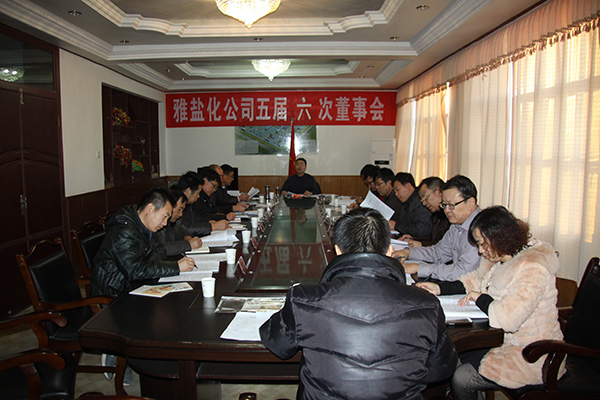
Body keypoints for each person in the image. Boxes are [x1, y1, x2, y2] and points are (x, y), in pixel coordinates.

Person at [260, 208, 457, 400]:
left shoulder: (304, 298)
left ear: (338, 251)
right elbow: (441, 369)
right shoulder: (427, 304)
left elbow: (278, 345)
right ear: (390, 250)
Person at [416, 206, 564, 399]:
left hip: (531, 353)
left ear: (499, 237)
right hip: (503, 341)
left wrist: (480, 298)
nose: (480, 251)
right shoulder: (504, 255)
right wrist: (440, 288)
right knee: (452, 356)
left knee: (462, 378)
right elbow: (477, 280)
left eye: (482, 244)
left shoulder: (532, 267)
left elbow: (507, 319)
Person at [91, 188, 195, 298]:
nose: (165, 223)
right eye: (164, 216)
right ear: (149, 209)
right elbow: (135, 270)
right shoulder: (122, 232)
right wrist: (176, 267)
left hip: (137, 285)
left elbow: (160, 250)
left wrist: (147, 265)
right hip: (114, 295)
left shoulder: (146, 226)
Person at [393, 175, 481, 281]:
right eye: (444, 205)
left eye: (451, 205)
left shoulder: (481, 228)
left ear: (470, 203)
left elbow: (462, 271)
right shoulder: (456, 225)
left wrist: (418, 268)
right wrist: (408, 252)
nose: (447, 211)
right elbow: (438, 252)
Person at [402, 176, 450, 247]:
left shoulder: (450, 215)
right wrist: (413, 239)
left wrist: (421, 244)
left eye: (425, 197)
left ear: (439, 192)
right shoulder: (436, 215)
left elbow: (443, 247)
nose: (424, 203)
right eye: (422, 200)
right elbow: (431, 239)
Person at [176, 171, 228, 236]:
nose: (198, 196)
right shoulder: (176, 203)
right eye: (197, 193)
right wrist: (212, 227)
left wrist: (209, 222)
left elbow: (195, 219)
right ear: (188, 191)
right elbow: (184, 228)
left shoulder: (188, 203)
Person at [156, 189, 203, 256]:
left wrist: (187, 237)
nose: (180, 214)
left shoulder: (170, 222)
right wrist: (188, 244)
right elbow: (160, 248)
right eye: (179, 209)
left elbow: (179, 230)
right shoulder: (157, 223)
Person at [391, 172, 432, 238]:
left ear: (408, 186)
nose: (396, 194)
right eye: (394, 192)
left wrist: (396, 226)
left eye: (397, 190)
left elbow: (421, 229)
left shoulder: (420, 202)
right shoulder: (406, 202)